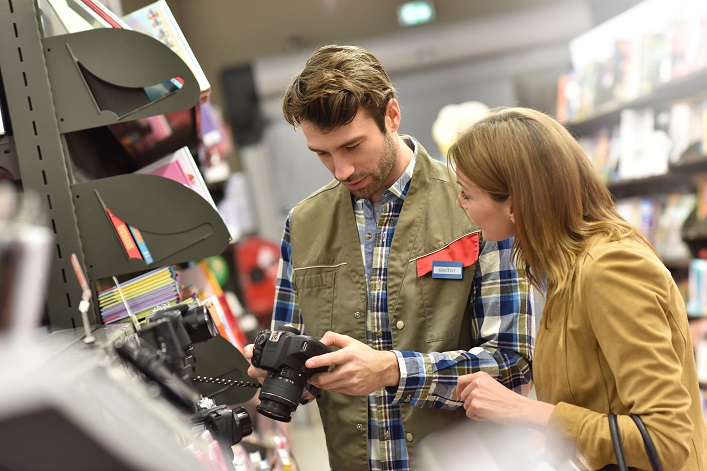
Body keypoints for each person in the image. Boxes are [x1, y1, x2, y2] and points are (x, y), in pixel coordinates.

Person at [242, 45, 534, 471]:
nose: (340, 169)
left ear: (391, 115)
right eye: (322, 154)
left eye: (352, 146)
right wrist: (284, 374)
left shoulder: (473, 204)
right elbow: (297, 356)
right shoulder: (302, 224)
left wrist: (391, 371)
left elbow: (512, 359)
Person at [451, 106, 707, 470]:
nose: (460, 204)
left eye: (466, 193)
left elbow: (664, 440)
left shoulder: (609, 267)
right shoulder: (563, 269)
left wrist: (529, 412)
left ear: (514, 202)